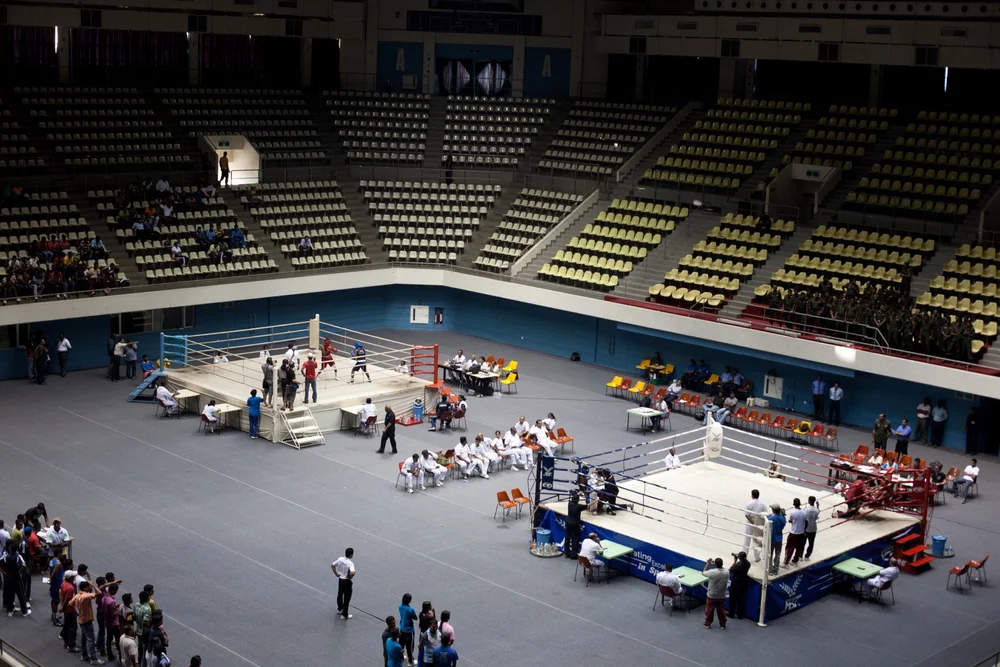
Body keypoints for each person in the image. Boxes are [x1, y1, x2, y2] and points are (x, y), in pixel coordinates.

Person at [702, 558, 729, 630]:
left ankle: (707, 624)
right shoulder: (727, 571)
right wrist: (716, 565)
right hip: (722, 595)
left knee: (709, 610)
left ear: (715, 564)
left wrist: (708, 563)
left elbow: (703, 572)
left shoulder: (712, 572)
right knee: (721, 610)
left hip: (712, 595)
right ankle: (722, 625)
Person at [331, 547, 355, 619]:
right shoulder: (350, 564)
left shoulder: (340, 559)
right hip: (346, 581)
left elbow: (332, 565)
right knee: (347, 598)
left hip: (341, 580)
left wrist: (336, 574)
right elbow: (353, 572)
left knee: (340, 594)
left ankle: (340, 609)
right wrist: (350, 577)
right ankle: (345, 614)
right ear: (351, 555)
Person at [743, 489, 767, 562]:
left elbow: (747, 515)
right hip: (758, 523)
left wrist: (752, 522)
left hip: (750, 523)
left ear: (752, 495)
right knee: (756, 540)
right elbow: (765, 514)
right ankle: (757, 557)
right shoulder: (762, 504)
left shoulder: (748, 503)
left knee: (747, 539)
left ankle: (744, 556)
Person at [783, 498, 807, 567]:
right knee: (798, 548)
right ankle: (795, 561)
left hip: (794, 532)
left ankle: (786, 562)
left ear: (794, 504)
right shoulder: (804, 512)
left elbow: (790, 521)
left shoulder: (793, 512)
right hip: (801, 532)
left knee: (789, 548)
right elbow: (805, 521)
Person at [729, 552, 751, 619]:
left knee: (732, 600)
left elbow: (731, 569)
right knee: (741, 600)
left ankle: (731, 614)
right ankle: (740, 615)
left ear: (739, 557)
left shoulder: (738, 565)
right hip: (744, 583)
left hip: (736, 584)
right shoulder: (748, 563)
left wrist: (735, 561)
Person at [398, 593, 418, 666]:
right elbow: (415, 618)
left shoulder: (400, 606)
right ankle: (410, 661)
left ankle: (401, 656)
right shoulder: (410, 609)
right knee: (409, 646)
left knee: (401, 644)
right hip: (409, 630)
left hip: (402, 628)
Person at [767, 504, 786, 576]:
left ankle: (770, 569)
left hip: (772, 539)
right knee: (778, 554)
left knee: (770, 554)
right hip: (779, 538)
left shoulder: (771, 518)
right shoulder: (783, 519)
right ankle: (776, 569)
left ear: (774, 510)